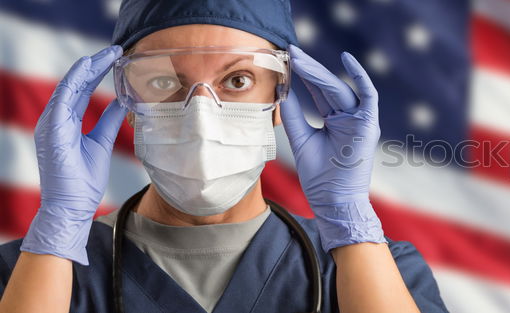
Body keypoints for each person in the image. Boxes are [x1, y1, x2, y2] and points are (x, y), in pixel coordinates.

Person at [0, 0, 448, 312]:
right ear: (129, 103)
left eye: (237, 81)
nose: (200, 113)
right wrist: (58, 223)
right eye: (161, 82)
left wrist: (350, 220)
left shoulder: (379, 267)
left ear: (280, 98)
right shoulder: (28, 271)